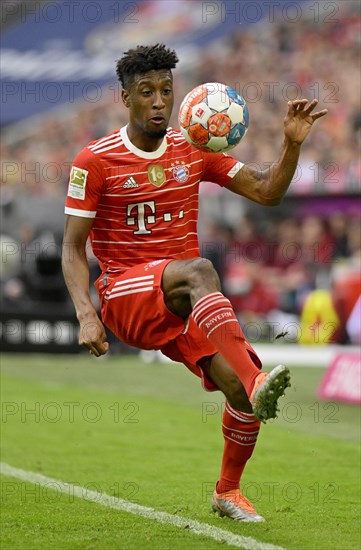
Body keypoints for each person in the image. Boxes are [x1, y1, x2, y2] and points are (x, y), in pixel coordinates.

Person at [62, 44, 328, 522]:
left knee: (241, 392)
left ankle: (228, 491)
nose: (160, 101)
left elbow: (267, 191)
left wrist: (292, 144)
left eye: (166, 90)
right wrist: (86, 314)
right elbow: (71, 247)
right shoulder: (94, 161)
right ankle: (258, 377)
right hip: (125, 296)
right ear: (126, 98)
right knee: (200, 270)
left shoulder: (197, 147)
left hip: (183, 301)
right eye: (147, 92)